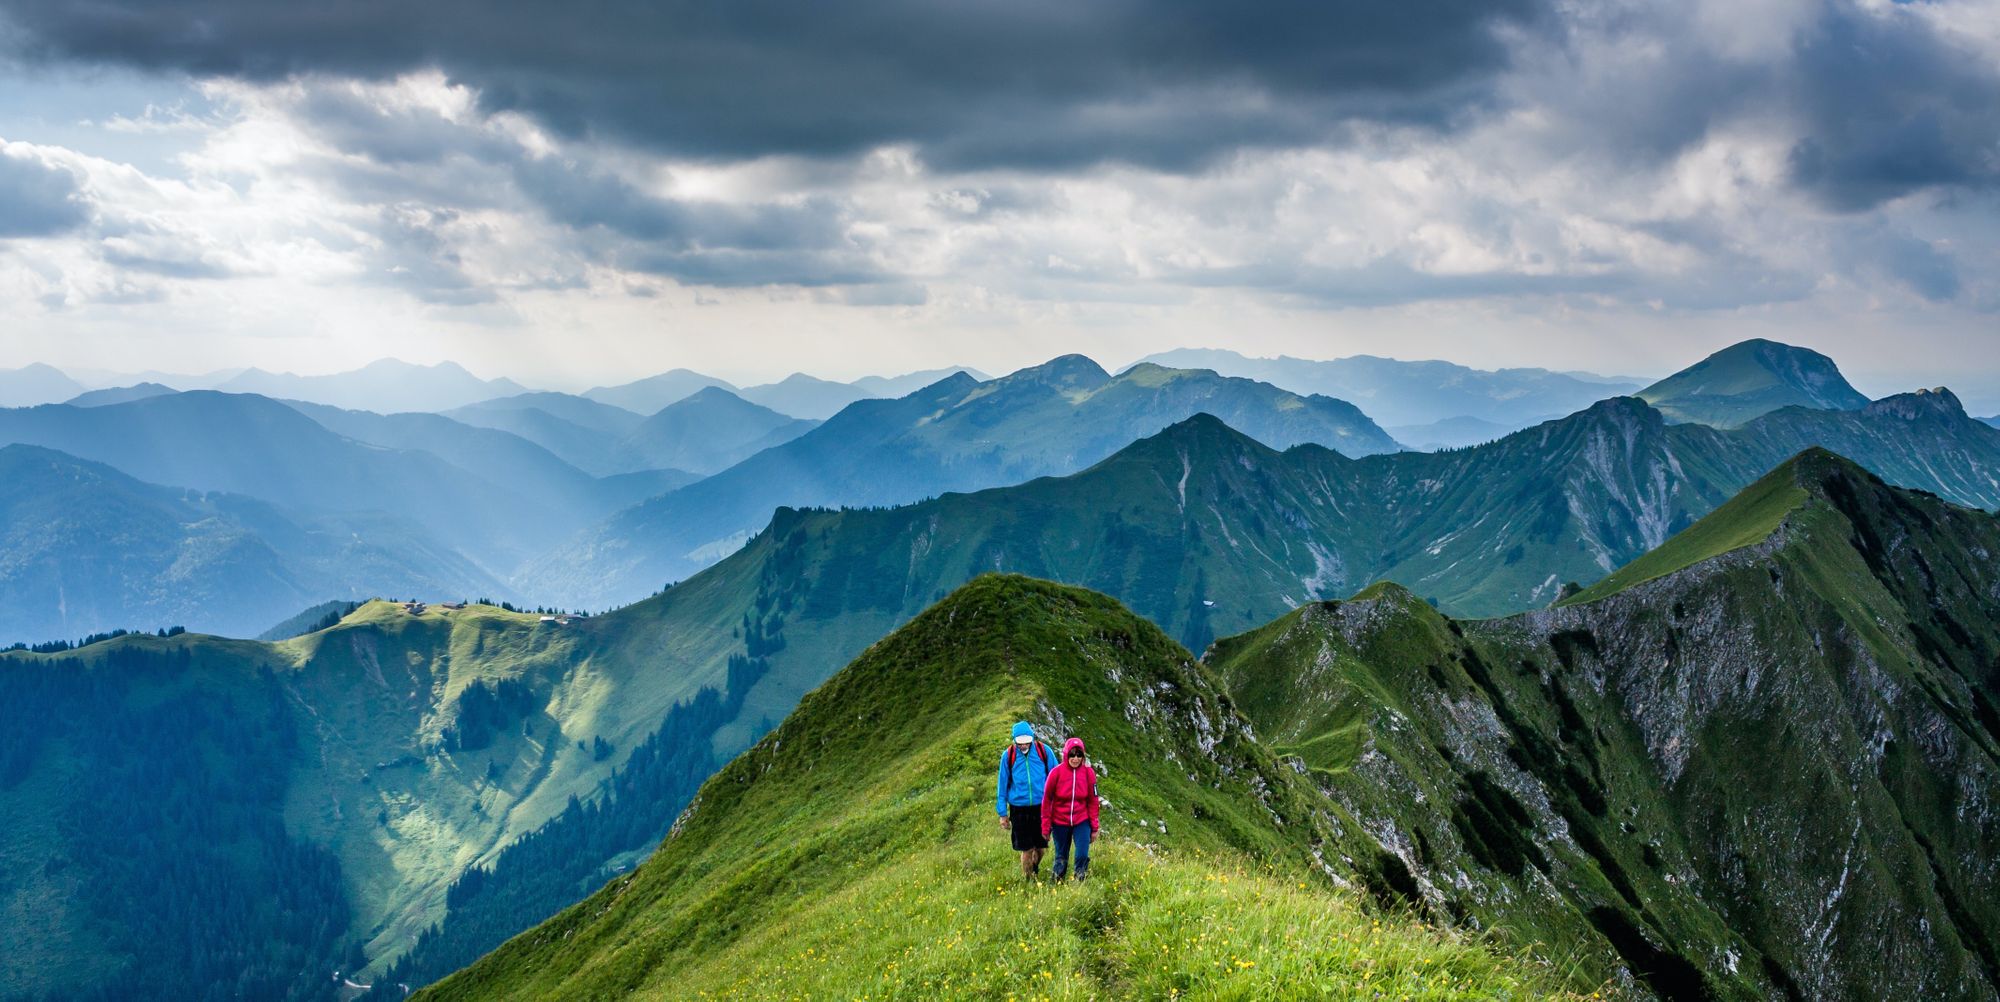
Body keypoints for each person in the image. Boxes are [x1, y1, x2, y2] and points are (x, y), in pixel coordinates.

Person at [995, 720, 1054, 880]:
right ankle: (1029, 880)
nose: (1023, 746)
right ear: (1014, 741)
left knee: (1041, 848)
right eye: (1019, 743)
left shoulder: (1044, 751)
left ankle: (1035, 867)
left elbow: (1056, 777)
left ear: (1032, 738)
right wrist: (1002, 813)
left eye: (1026, 742)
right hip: (1019, 810)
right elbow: (1002, 785)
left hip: (1042, 808)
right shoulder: (1008, 756)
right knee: (1026, 849)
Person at [1041, 737, 1100, 882]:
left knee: (1082, 854)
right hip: (1060, 821)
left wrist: (1094, 827)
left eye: (1079, 754)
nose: (1075, 758)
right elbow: (1047, 800)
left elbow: (1093, 800)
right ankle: (1056, 882)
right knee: (1061, 856)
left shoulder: (1089, 774)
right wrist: (1045, 827)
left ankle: (1080, 880)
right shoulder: (1056, 773)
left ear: (1083, 756)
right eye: (1072, 754)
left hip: (1082, 820)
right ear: (1066, 754)